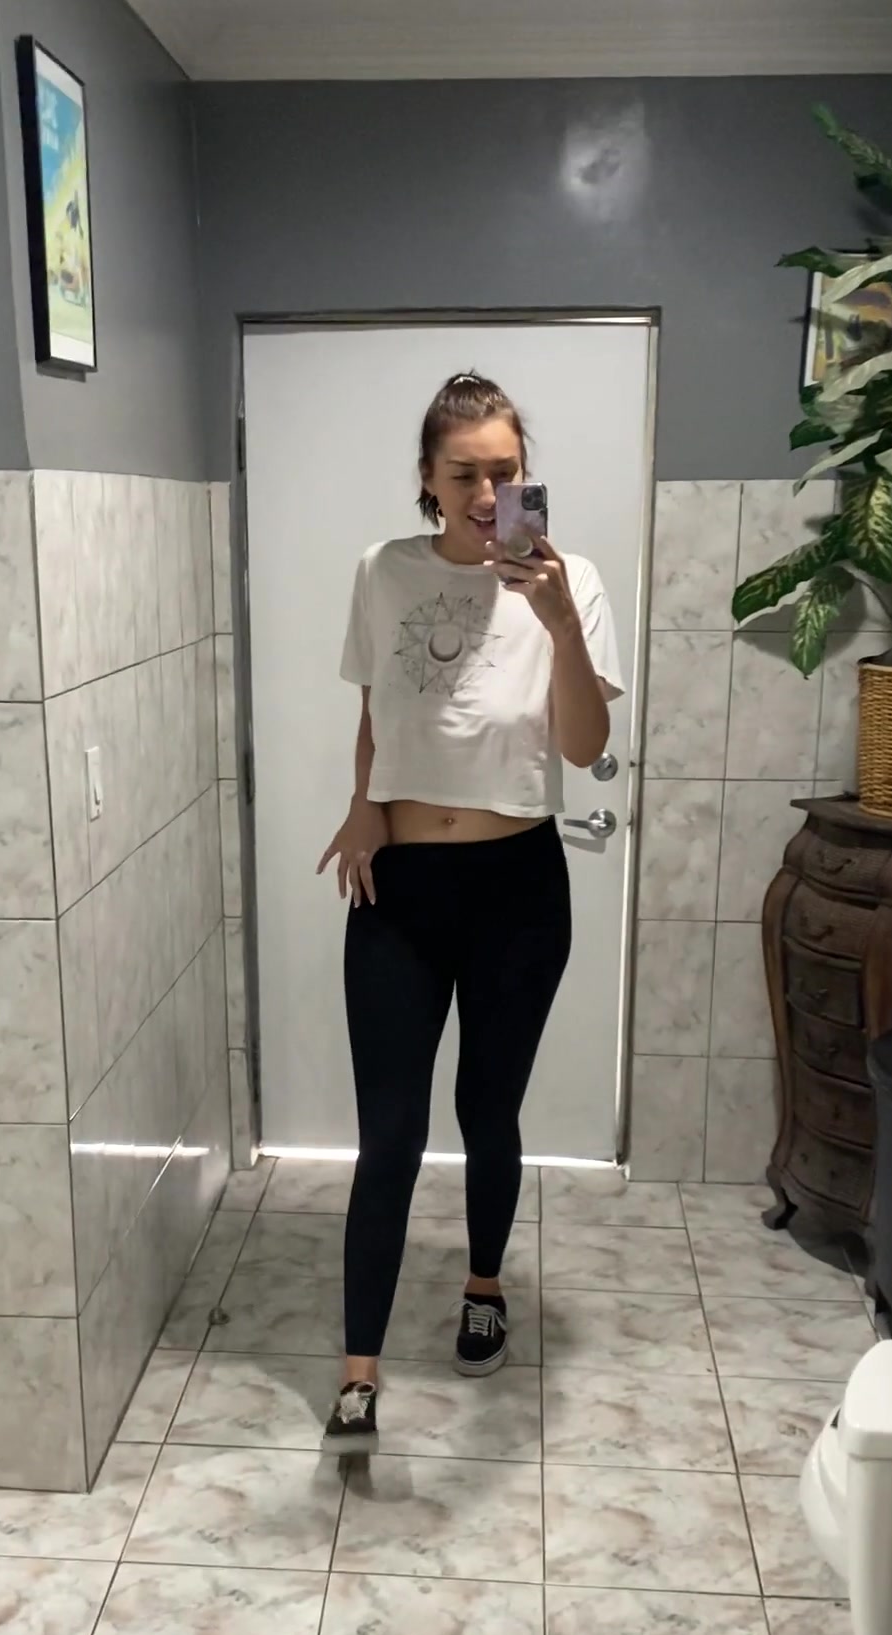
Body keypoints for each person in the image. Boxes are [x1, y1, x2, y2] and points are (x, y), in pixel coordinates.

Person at [317, 370, 623, 1453]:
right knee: (390, 1134)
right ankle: (359, 1376)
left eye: (506, 472)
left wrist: (559, 623)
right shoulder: (383, 570)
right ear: (428, 479)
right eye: (465, 474)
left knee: (488, 1114)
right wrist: (362, 806)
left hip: (517, 891)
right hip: (399, 887)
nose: (489, 495)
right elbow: (376, 711)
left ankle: (484, 1284)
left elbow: (584, 745)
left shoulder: (571, 582)